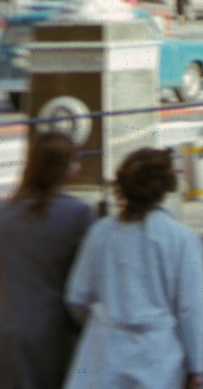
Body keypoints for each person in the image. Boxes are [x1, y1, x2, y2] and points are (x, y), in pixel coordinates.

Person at [65, 149, 203, 389]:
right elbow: (191, 309)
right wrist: (195, 366)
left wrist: (100, 321)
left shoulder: (101, 233)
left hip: (105, 352)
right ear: (166, 186)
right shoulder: (181, 238)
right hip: (157, 354)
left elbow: (76, 296)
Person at [1, 133, 94, 389]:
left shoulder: (5, 213)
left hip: (7, 328)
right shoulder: (78, 214)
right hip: (54, 331)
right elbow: (87, 278)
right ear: (63, 168)